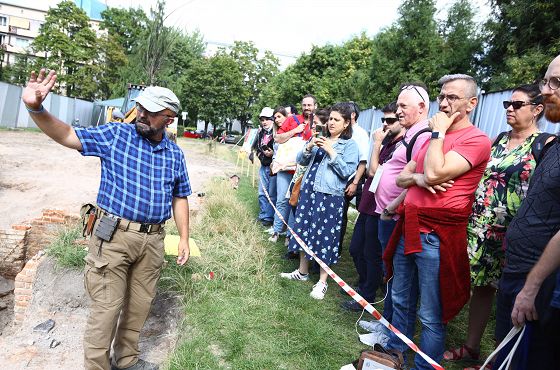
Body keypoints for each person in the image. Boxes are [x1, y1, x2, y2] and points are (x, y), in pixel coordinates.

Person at [22, 69, 191, 370]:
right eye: (140, 107)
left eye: (151, 112)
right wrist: (36, 107)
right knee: (106, 310)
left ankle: (126, 362)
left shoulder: (174, 155)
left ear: (169, 118)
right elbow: (67, 134)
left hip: (152, 242)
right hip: (112, 239)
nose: (141, 114)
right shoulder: (116, 135)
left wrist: (184, 238)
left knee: (139, 308)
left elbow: (180, 196)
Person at [384, 74, 491, 370]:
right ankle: (394, 356)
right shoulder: (431, 136)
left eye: (452, 98)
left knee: (431, 313)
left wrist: (438, 136)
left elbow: (433, 174)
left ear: (471, 103)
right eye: (442, 96)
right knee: (402, 300)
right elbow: (404, 177)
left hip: (436, 236)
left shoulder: (476, 139)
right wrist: (419, 177)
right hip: (409, 227)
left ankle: (424, 366)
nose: (443, 103)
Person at [444, 84, 552, 367]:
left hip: (512, 236)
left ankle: (498, 357)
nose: (509, 109)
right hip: (479, 227)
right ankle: (472, 346)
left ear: (537, 109)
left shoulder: (544, 144)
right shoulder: (499, 140)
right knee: (479, 287)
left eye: (517, 105)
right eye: (507, 104)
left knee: (508, 295)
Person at [492, 55, 560, 369]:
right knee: (505, 353)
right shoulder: (555, 146)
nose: (545, 91)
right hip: (516, 267)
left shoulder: (543, 143)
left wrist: (533, 286)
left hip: (540, 285)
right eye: (546, 80)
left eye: (556, 83)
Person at [279, 103, 359, 299]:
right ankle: (302, 272)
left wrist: (331, 151)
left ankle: (322, 281)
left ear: (346, 123)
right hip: (309, 192)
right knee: (303, 231)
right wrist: (308, 146)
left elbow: (347, 171)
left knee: (325, 236)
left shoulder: (349, 145)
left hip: (329, 197)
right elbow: (301, 161)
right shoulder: (319, 139)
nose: (331, 122)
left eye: (336, 120)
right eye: (330, 119)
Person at [374, 83, 432, 324]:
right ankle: (385, 321)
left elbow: (416, 182)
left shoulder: (422, 136)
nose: (397, 111)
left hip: (396, 216)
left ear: (421, 107)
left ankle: (389, 327)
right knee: (391, 274)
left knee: (398, 278)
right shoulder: (409, 134)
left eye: (402, 106)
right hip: (389, 213)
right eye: (397, 105)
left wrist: (391, 208)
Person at [342, 102, 405, 312]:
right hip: (369, 201)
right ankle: (365, 284)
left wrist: (376, 144)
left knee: (371, 252)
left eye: (390, 120)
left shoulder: (401, 145)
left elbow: (372, 171)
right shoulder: (387, 141)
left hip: (384, 206)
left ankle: (367, 295)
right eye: (383, 120)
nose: (385, 125)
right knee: (356, 248)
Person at [269, 96, 315, 242]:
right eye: (304, 105)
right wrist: (295, 130)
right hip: (285, 168)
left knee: (295, 202)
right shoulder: (292, 119)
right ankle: (276, 231)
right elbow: (278, 138)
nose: (307, 107)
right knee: (282, 199)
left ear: (315, 106)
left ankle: (290, 235)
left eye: (310, 105)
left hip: (302, 170)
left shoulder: (318, 123)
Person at [339, 101, 370, 253]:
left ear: (352, 115)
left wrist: (355, 183)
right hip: (339, 178)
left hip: (352, 179)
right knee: (338, 214)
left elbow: (363, 160)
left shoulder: (361, 134)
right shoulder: (342, 132)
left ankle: (338, 249)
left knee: (343, 215)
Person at [253, 107, 276, 227]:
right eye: (262, 119)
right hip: (263, 165)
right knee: (262, 192)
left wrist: (273, 154)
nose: (264, 122)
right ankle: (263, 215)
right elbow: (256, 145)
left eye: (267, 119)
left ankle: (269, 217)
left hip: (273, 167)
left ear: (272, 119)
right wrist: (257, 153)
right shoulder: (261, 132)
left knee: (271, 193)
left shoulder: (277, 133)